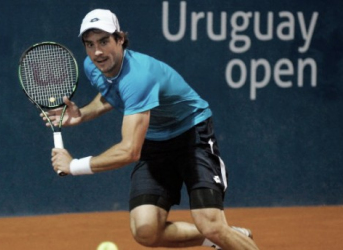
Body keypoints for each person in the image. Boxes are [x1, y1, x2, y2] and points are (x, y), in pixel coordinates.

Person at [45, 9, 259, 250]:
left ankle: (219, 233)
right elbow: (112, 94)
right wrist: (82, 114)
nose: (97, 52)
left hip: (191, 137)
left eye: (104, 41)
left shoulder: (139, 77)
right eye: (90, 44)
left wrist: (74, 166)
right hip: (156, 143)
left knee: (209, 222)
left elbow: (129, 151)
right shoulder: (93, 66)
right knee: (145, 230)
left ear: (121, 39)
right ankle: (225, 237)